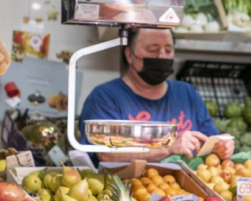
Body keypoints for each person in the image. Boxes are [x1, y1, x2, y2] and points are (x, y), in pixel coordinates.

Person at [78, 28, 234, 162]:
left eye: (168, 50)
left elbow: (210, 143)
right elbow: (106, 155)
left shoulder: (187, 93)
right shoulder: (104, 98)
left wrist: (221, 146)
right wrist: (168, 148)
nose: (162, 56)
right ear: (129, 55)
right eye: (153, 50)